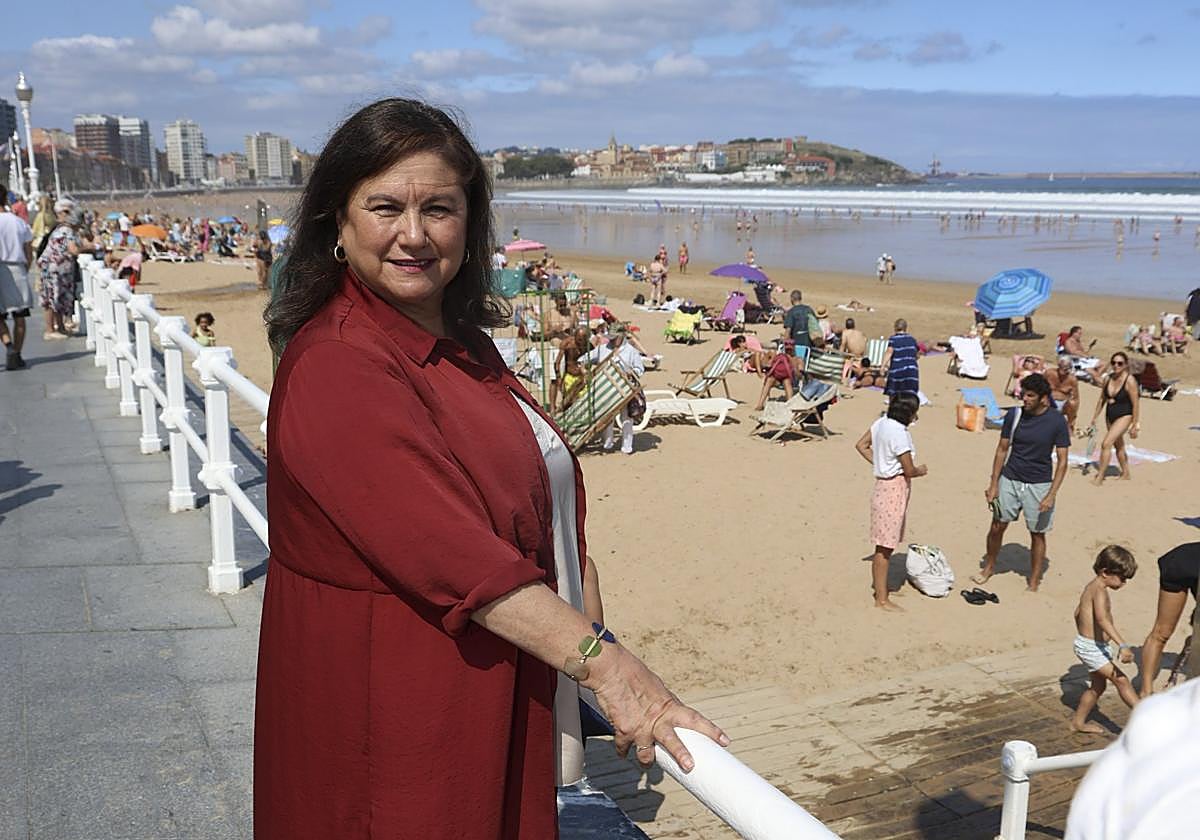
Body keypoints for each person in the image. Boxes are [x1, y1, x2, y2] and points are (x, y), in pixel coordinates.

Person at [257, 98, 726, 839]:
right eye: (385, 206)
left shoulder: (460, 341)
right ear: (337, 225)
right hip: (400, 704)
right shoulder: (339, 363)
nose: (413, 234)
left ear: (470, 224)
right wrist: (611, 670)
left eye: (439, 209)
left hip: (485, 681)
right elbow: (453, 552)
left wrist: (580, 580)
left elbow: (517, 489)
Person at [976, 373, 1070, 592]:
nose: (1025, 399)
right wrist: (993, 484)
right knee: (997, 525)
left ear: (1043, 398)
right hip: (1010, 478)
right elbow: (1001, 449)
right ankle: (989, 567)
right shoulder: (1015, 415)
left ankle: (1034, 580)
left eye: (1030, 395)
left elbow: (1063, 462)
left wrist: (1051, 495)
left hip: (1039, 484)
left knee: (1037, 533)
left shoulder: (1057, 421)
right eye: (1023, 394)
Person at [854, 392, 926, 611]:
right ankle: (881, 598)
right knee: (885, 547)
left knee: (886, 544)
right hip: (893, 489)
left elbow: (861, 445)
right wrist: (920, 471)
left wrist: (880, 464)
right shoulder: (899, 434)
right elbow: (909, 469)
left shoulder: (882, 422)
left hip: (883, 486)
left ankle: (883, 589)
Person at [1070, 545, 1139, 733]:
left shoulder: (1092, 587)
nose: (1124, 583)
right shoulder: (1098, 590)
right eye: (1122, 578)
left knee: (1097, 687)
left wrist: (1087, 634)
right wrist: (1122, 645)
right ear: (1105, 572)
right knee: (1122, 680)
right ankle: (1146, 716)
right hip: (1091, 648)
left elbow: (1077, 613)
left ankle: (1078, 722)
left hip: (1094, 645)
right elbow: (1102, 619)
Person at [1138, 542, 1200, 697]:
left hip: (1184, 560)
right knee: (1161, 632)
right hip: (1183, 564)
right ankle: (1145, 692)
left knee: (1160, 634)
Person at [1086, 351, 1139, 485]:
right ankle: (1126, 472)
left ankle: (1100, 477)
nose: (1116, 366)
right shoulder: (1107, 379)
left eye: (1120, 363)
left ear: (1126, 365)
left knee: (1106, 443)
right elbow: (1101, 399)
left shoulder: (1130, 381)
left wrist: (1135, 424)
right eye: (1114, 363)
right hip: (1110, 415)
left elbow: (1136, 404)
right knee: (1119, 445)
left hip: (1125, 415)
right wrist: (1094, 417)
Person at [35, 198, 80, 341]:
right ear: (59, 213)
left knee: (57, 298)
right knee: (50, 299)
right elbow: (73, 250)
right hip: (54, 269)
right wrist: (91, 248)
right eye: (65, 211)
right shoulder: (66, 230)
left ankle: (59, 327)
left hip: (55, 269)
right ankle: (50, 330)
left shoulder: (60, 229)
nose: (69, 214)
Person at [0, 184, 34, 370]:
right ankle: (17, 354)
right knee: (20, 315)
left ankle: (9, 345)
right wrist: (26, 268)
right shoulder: (18, 222)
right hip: (17, 268)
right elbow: (29, 251)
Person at [881, 318, 919, 397]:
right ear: (905, 328)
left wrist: (882, 366)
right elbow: (917, 355)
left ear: (895, 328)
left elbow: (889, 352)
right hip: (912, 371)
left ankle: (893, 409)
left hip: (898, 370)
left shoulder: (893, 339)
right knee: (909, 394)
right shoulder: (912, 340)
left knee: (894, 393)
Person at [1044, 356, 1080, 433]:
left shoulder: (1072, 380)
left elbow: (1075, 398)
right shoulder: (1049, 373)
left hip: (1062, 404)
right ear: (1059, 365)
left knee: (1072, 403)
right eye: (1062, 366)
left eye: (1066, 367)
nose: (1064, 369)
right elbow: (1039, 385)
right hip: (1047, 401)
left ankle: (1069, 426)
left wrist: (1073, 416)